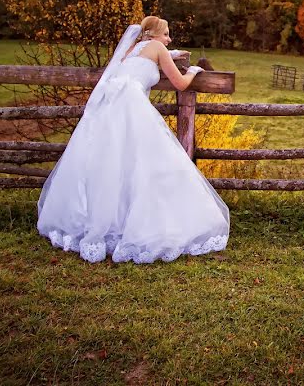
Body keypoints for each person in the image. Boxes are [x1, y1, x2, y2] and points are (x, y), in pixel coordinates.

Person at [37, 16, 230, 263]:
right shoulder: (157, 48)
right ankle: (146, 225)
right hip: (132, 108)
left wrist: (172, 52)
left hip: (108, 109)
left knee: (111, 164)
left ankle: (105, 223)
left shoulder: (130, 49)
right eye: (167, 34)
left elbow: (147, 59)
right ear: (154, 35)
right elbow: (180, 84)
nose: (168, 39)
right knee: (146, 163)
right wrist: (193, 70)